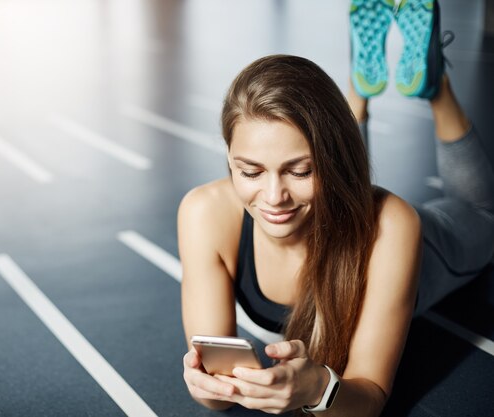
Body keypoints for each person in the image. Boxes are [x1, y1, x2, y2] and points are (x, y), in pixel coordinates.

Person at [178, 0, 494, 415]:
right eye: (250, 172)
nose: (274, 197)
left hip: (430, 246)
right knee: (329, 187)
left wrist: (318, 390)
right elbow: (211, 396)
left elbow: (369, 398)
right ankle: (359, 90)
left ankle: (436, 86)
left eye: (300, 171)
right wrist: (208, 387)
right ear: (230, 160)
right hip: (337, 199)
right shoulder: (204, 213)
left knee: (483, 212)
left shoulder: (394, 226)